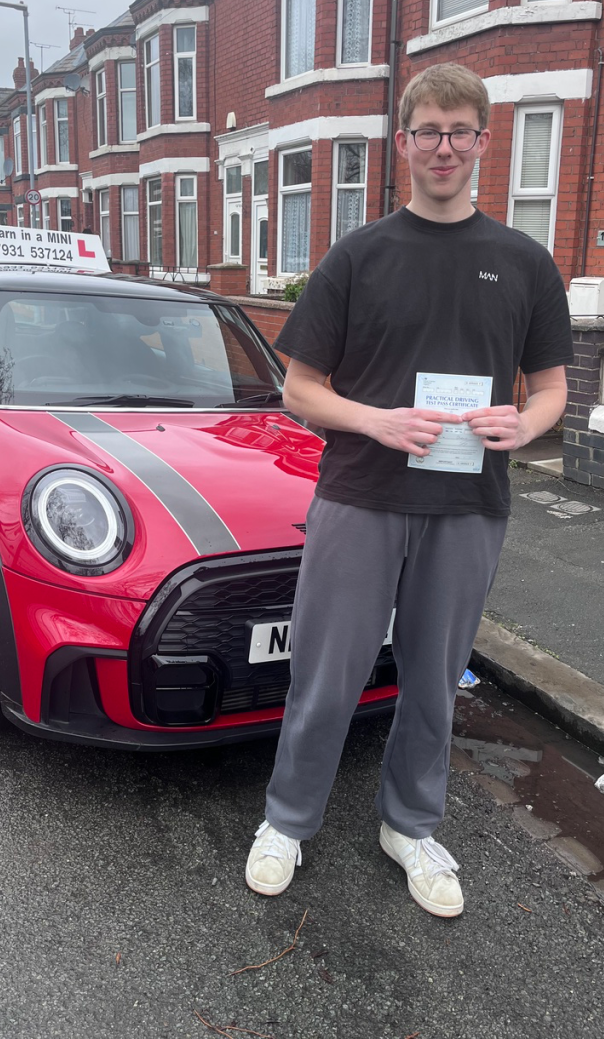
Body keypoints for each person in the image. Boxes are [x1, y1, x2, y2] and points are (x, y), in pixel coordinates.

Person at [245, 63, 574, 917]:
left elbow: (551, 389)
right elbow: (299, 388)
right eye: (429, 131)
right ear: (403, 142)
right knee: (329, 673)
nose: (444, 147)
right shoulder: (359, 256)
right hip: (361, 493)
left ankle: (411, 825)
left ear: (484, 141)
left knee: (432, 681)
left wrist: (524, 425)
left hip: (467, 506)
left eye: (460, 131)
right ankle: (288, 818)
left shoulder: (524, 263)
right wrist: (378, 421)